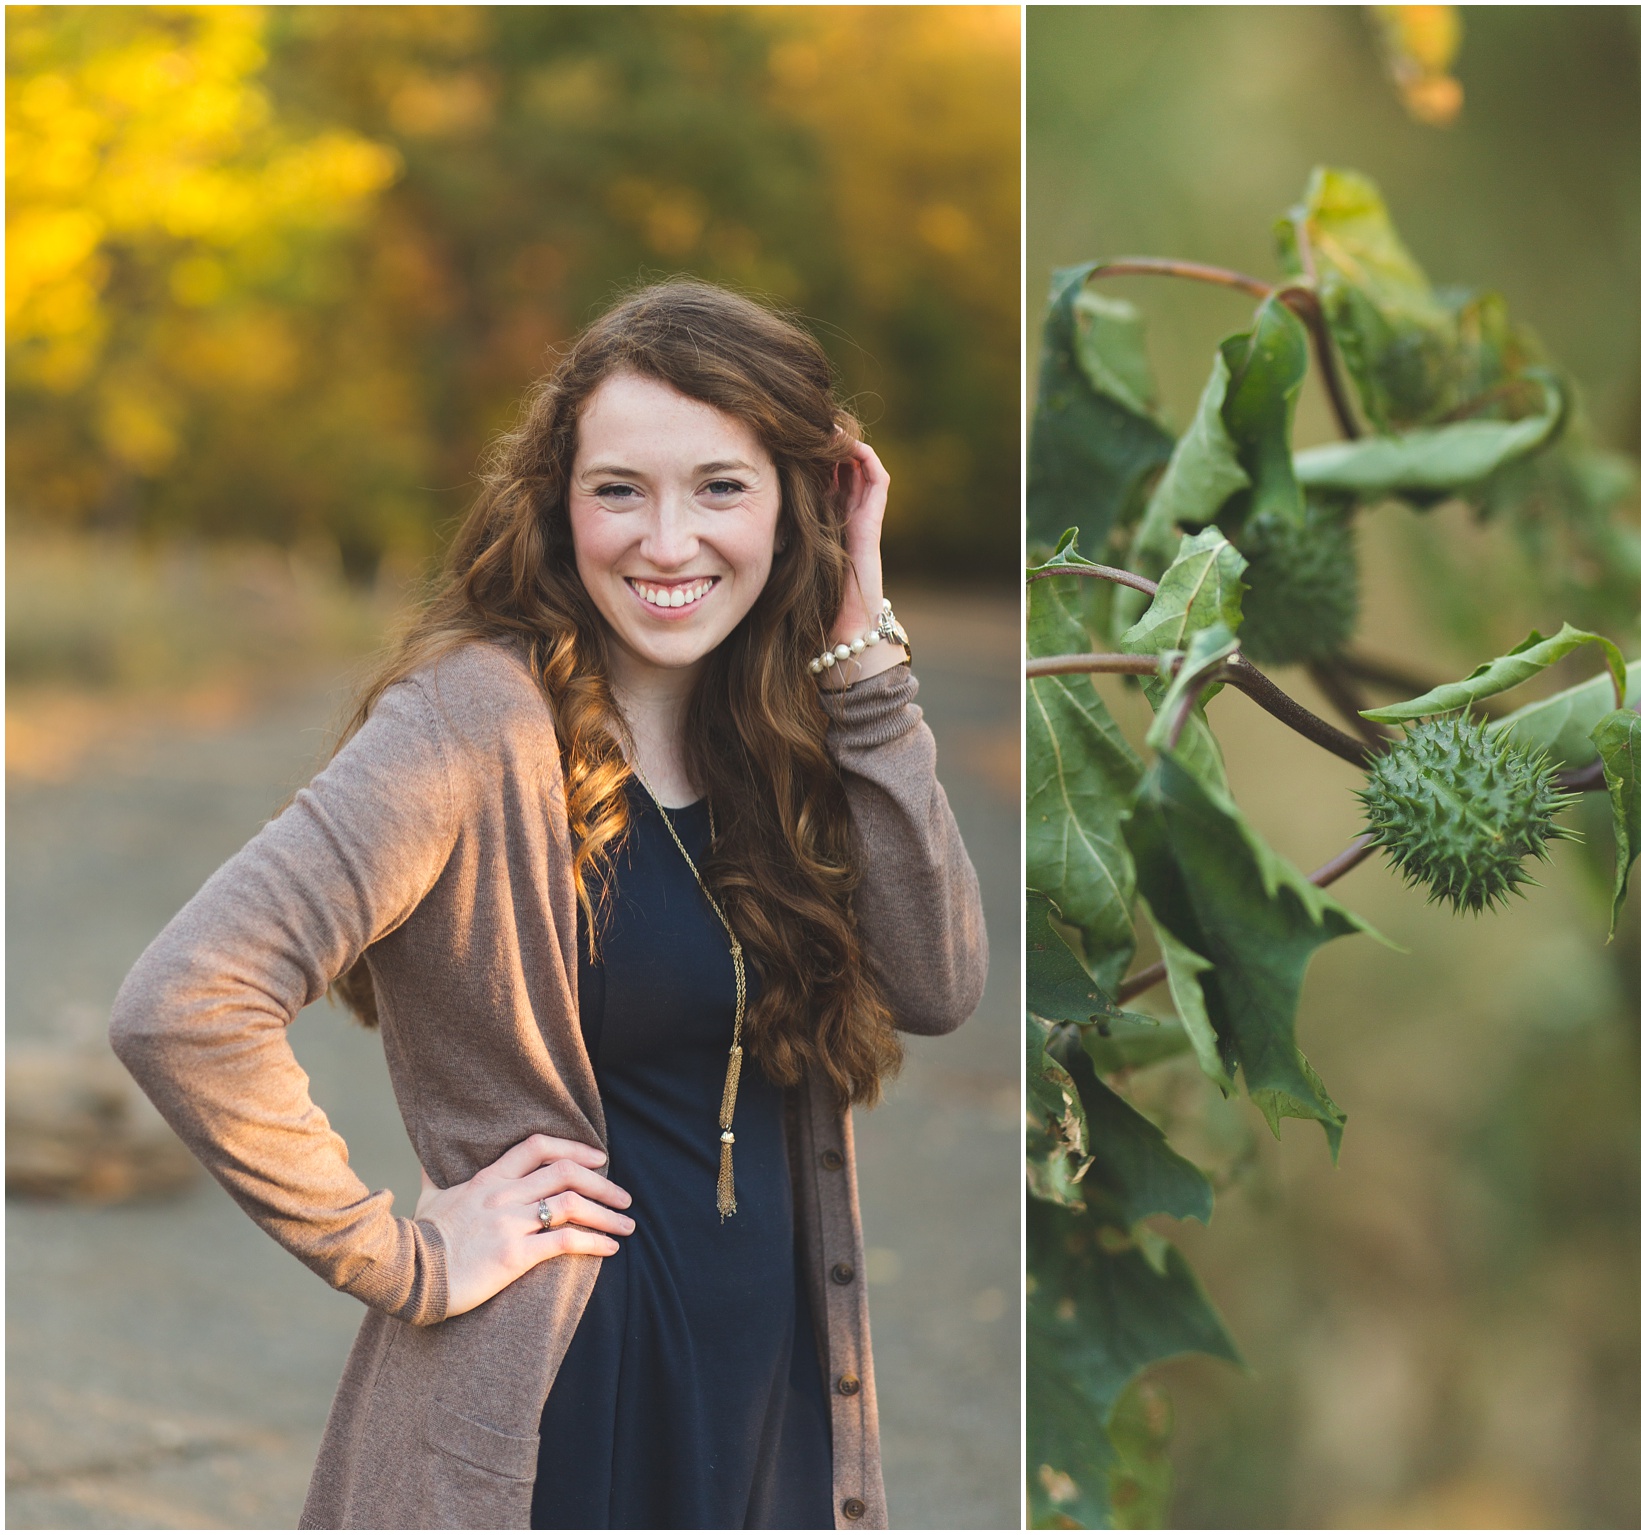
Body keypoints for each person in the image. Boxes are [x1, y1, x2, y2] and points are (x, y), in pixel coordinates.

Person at [109, 279, 988, 1531]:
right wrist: (396, 1257)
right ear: (560, 501)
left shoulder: (783, 733)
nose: (667, 541)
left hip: (771, 1402)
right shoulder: (469, 722)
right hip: (558, 1421)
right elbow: (183, 1001)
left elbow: (940, 982)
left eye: (721, 487)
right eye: (619, 488)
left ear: (803, 509)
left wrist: (866, 663)